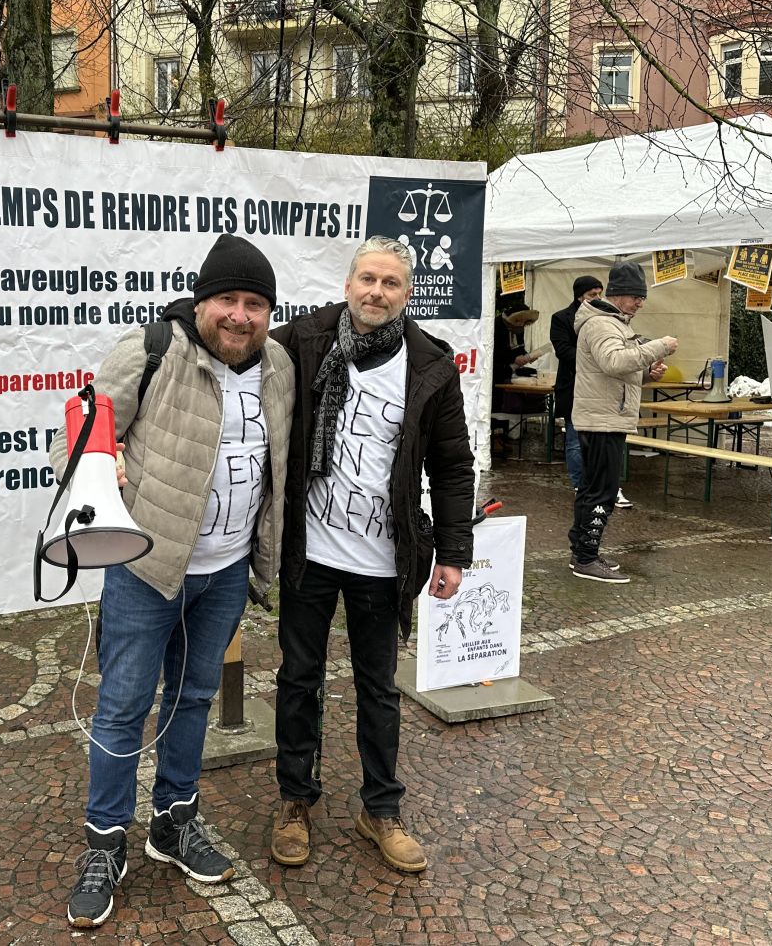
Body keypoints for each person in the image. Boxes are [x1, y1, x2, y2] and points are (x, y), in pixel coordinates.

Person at [52, 233, 295, 929]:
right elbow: (78, 435)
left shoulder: (279, 365)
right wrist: (98, 466)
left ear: (268, 313)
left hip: (226, 571)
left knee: (192, 699)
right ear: (202, 301)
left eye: (255, 304)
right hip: (147, 568)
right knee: (123, 706)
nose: (240, 315)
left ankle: (173, 820)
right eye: (228, 300)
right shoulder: (152, 349)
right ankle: (105, 843)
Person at [268, 236, 474, 875]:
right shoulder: (301, 342)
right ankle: (295, 801)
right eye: (367, 279)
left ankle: (380, 808)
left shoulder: (430, 365)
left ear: (407, 293)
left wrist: (453, 551)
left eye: (390, 283)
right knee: (298, 679)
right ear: (348, 284)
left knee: (378, 688)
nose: (376, 292)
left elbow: (452, 466)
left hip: (384, 557)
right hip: (310, 549)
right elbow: (234, 355)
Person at [568, 260, 678, 583]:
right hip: (603, 420)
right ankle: (586, 558)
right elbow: (614, 362)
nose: (640, 303)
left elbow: (615, 372)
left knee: (591, 488)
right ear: (618, 294)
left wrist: (647, 373)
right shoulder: (603, 324)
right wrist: (659, 347)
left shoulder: (612, 322)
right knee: (603, 491)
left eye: (642, 297)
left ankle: (582, 552)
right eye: (636, 297)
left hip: (604, 417)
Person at [550, 275, 604, 494]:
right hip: (573, 385)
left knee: (600, 439)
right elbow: (563, 350)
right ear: (579, 296)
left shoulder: (605, 316)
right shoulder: (561, 318)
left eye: (599, 293)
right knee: (574, 438)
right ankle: (579, 484)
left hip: (599, 387)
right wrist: (595, 359)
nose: (597, 298)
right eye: (592, 294)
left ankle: (597, 482)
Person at [490, 295, 540, 461]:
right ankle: (494, 437)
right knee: (495, 404)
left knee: (505, 404)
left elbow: (519, 347)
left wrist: (527, 356)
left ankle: (503, 436)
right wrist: (513, 358)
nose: (522, 326)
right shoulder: (496, 326)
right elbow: (493, 351)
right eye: (520, 323)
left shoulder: (519, 328)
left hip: (508, 372)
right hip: (494, 371)